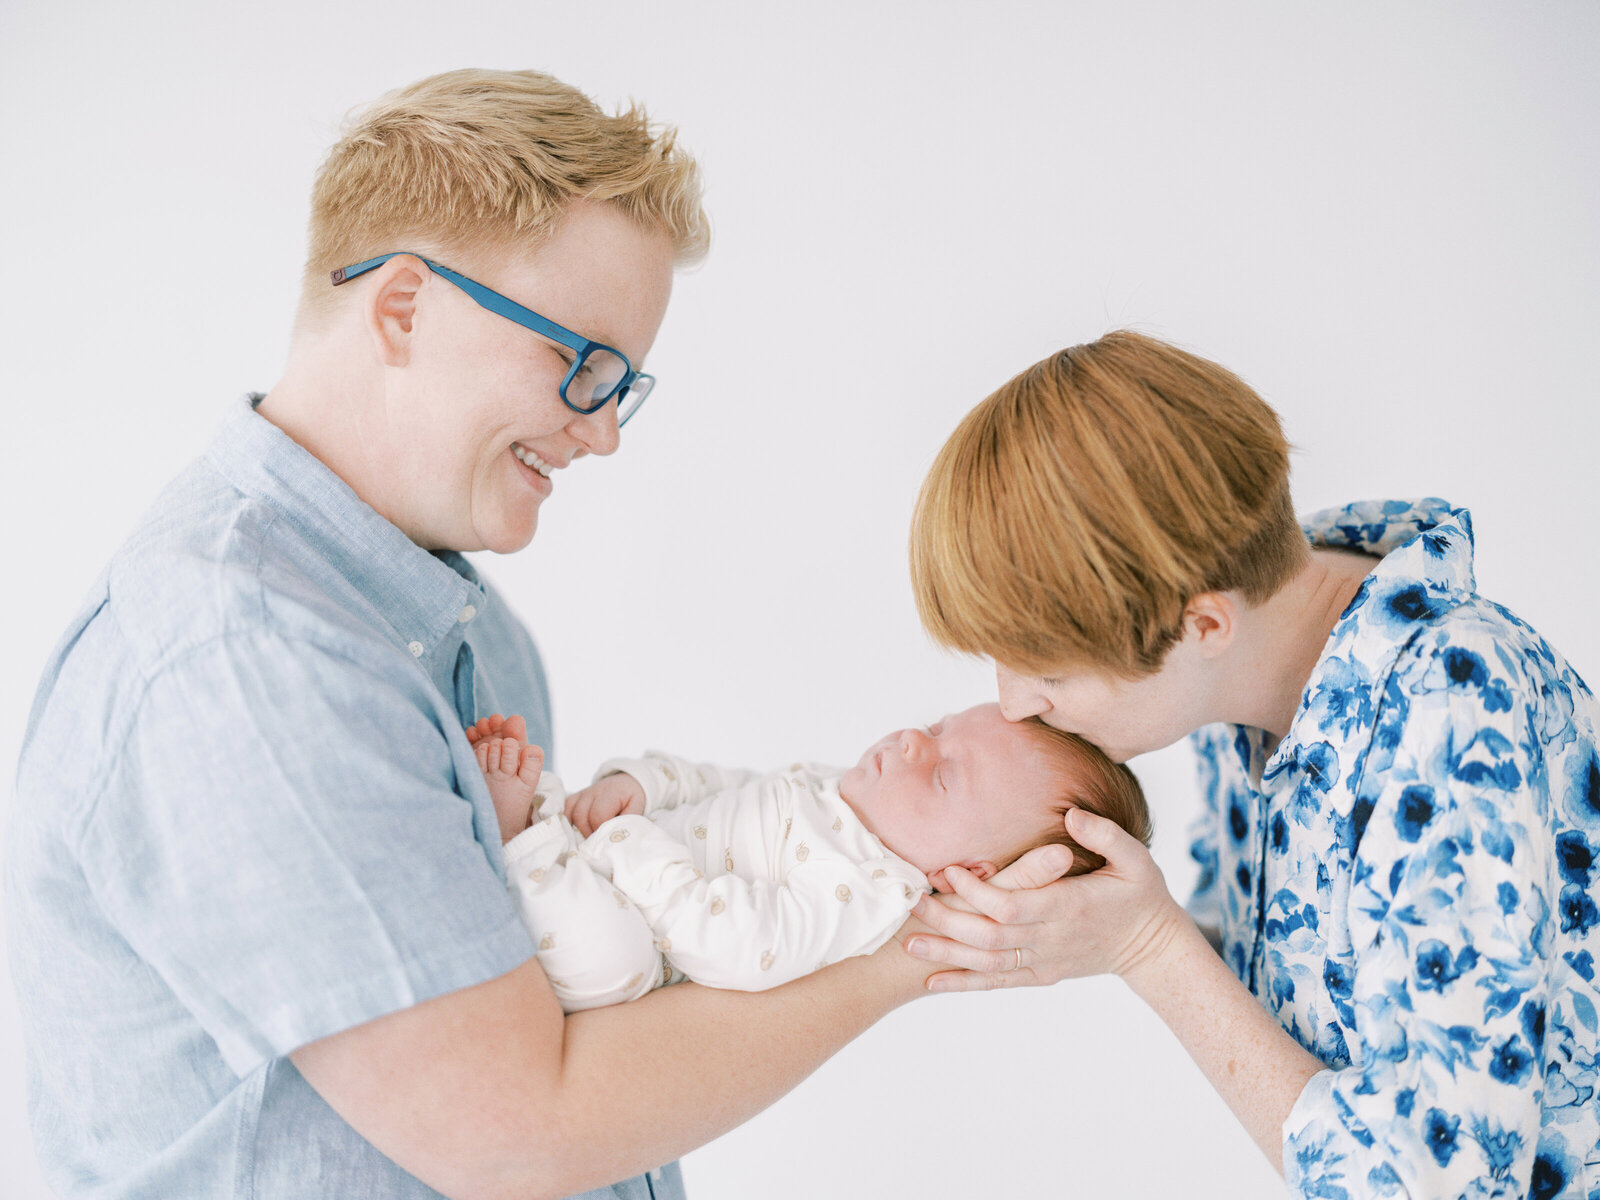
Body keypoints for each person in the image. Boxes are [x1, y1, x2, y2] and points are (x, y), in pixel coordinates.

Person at [5, 69, 947, 1200]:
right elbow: (512, 1133)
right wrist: (923, 951)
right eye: (581, 365)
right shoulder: (243, 655)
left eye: (624, 385)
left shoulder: (473, 638)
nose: (602, 435)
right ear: (403, 306)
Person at [903, 330, 1600, 1199]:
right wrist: (1095, 923)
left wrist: (1152, 946)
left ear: (1202, 626)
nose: (1012, 704)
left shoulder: (1453, 715)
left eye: (1048, 670)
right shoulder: (1260, 681)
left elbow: (1437, 1184)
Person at [461, 704, 1148, 1010]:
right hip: (613, 852)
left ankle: (523, 835)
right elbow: (719, 783)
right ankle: (533, 826)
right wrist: (640, 786)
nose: (913, 740)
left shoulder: (868, 894)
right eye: (937, 727)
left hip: (637, 933)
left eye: (941, 774)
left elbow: (734, 944)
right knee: (578, 799)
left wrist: (629, 846)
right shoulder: (834, 787)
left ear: (965, 877)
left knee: (613, 956)